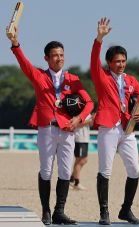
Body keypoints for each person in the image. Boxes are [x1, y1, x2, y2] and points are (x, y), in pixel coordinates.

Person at [7, 28, 94, 225]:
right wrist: (15, 43)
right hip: (46, 128)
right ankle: (46, 211)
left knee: (64, 172)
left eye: (61, 55)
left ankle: (59, 212)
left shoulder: (72, 79)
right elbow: (23, 63)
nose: (59, 59)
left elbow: (89, 103)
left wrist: (79, 119)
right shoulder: (38, 76)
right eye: (54, 55)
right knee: (46, 170)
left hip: (67, 130)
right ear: (46, 58)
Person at [90, 17, 139, 225]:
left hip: (128, 129)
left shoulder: (132, 80)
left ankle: (125, 209)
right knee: (105, 170)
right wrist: (99, 38)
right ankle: (104, 212)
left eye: (123, 61)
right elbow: (93, 59)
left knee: (135, 169)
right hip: (108, 127)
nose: (121, 64)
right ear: (109, 63)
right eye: (117, 61)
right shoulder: (101, 76)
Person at [70, 113, 95, 190]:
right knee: (80, 160)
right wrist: (90, 120)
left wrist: (93, 119)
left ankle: (71, 179)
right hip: (79, 138)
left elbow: (90, 124)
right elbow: (75, 124)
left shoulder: (87, 111)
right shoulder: (77, 111)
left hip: (84, 138)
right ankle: (76, 183)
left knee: (84, 160)